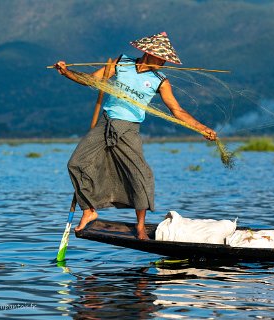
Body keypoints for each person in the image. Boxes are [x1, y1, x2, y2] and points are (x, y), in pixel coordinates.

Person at [54, 32, 217, 239]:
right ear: (148, 53)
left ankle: (140, 227)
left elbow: (177, 110)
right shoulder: (121, 63)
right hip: (105, 122)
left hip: (129, 129)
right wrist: (66, 72)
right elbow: (91, 81)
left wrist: (202, 128)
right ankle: (89, 210)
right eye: (162, 57)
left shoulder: (160, 81)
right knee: (76, 164)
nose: (165, 61)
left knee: (139, 175)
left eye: (166, 58)